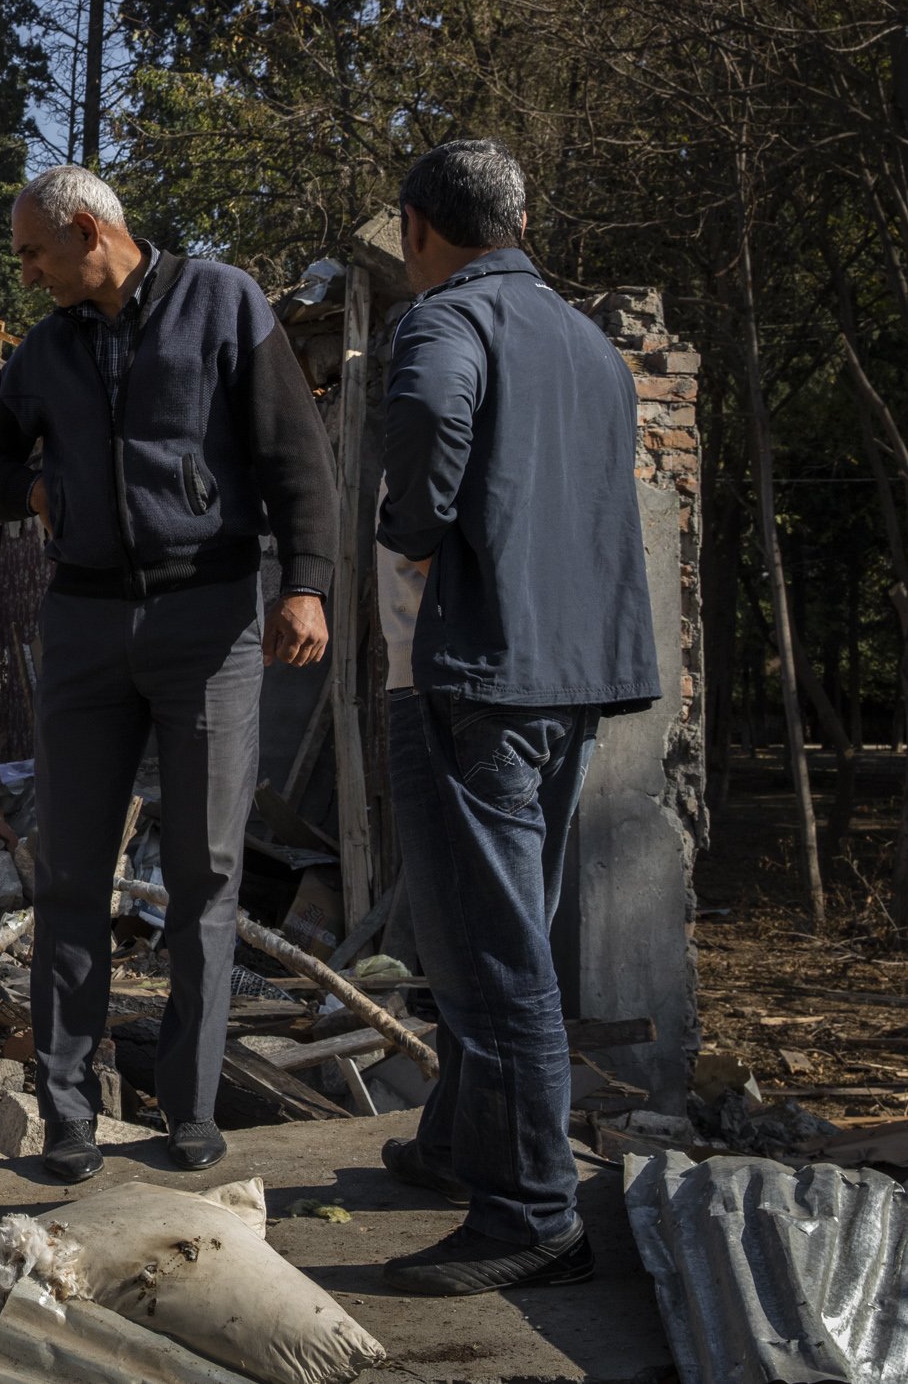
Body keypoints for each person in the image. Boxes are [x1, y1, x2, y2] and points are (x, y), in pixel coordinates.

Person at [0, 166, 337, 1182]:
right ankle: (69, 1114)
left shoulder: (222, 300)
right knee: (70, 872)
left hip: (207, 617)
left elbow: (296, 455)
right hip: (80, 624)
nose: (26, 270)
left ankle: (190, 1108)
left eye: (35, 251)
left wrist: (306, 584)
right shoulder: (44, 350)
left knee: (206, 872)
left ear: (87, 232)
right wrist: (31, 486)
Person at [373, 139, 657, 1296]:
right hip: (569, 677)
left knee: (487, 951)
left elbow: (430, 431)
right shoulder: (588, 342)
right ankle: (456, 1142)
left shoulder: (443, 321)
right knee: (504, 924)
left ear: (416, 230)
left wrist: (413, 522)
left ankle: (531, 1210)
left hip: (476, 676)